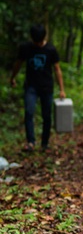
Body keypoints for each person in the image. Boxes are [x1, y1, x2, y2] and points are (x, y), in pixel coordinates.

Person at [10, 23, 66, 152]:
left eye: (40, 42)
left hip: (47, 87)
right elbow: (18, 63)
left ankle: (44, 144)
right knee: (29, 112)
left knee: (47, 116)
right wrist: (13, 77)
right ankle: (31, 142)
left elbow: (57, 69)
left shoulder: (51, 49)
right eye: (36, 42)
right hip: (31, 87)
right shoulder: (25, 48)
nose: (38, 44)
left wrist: (62, 89)